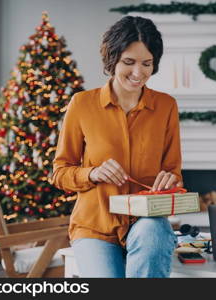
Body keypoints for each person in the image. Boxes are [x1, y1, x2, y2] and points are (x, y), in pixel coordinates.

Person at [51, 16, 183, 278]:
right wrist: (92, 173)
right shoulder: (82, 104)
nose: (138, 73)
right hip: (95, 226)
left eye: (147, 63)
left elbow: (173, 173)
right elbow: (59, 172)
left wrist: (171, 180)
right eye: (129, 62)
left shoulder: (166, 106)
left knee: (154, 233)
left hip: (147, 223)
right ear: (112, 60)